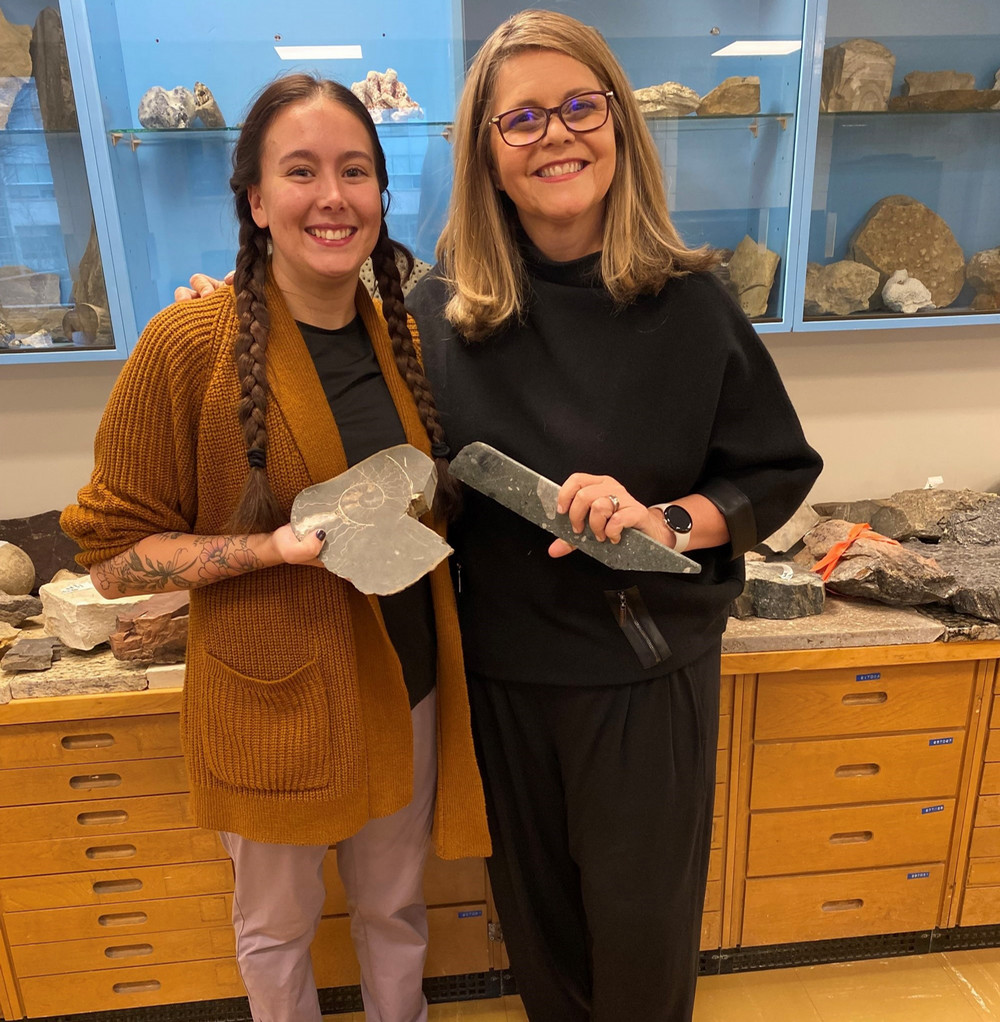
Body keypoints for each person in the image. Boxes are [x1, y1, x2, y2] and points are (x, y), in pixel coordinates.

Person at [403, 11, 823, 1022]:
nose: (556, 134)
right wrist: (235, 306)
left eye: (580, 105)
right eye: (523, 118)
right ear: (487, 157)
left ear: (620, 128)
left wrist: (665, 520)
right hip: (501, 678)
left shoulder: (691, 302)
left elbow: (769, 470)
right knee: (541, 943)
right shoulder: (439, 310)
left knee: (638, 946)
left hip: (640, 671)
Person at [61, 73, 489, 1022]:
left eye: (354, 172)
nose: (332, 197)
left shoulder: (404, 334)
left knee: (394, 910)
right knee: (277, 928)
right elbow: (110, 554)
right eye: (300, 171)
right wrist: (270, 551)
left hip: (405, 686)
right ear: (256, 199)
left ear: (381, 194)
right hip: (273, 702)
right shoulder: (186, 344)